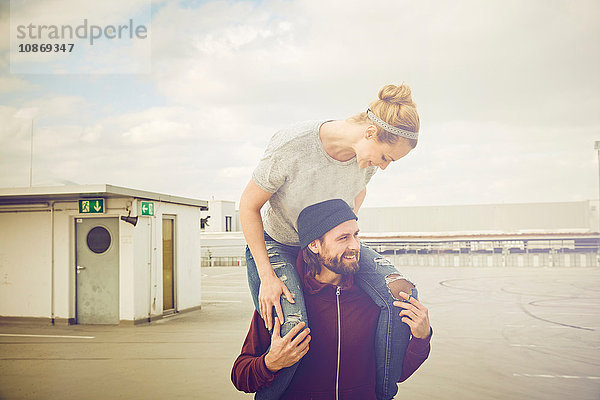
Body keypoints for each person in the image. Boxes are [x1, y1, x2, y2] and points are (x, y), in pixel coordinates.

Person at [239, 83, 420, 399]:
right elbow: (248, 206)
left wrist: (343, 236)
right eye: (385, 157)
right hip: (279, 242)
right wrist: (267, 276)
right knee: (292, 325)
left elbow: (357, 192)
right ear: (369, 133)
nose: (384, 166)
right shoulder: (293, 146)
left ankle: (384, 390)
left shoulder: (364, 161)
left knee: (403, 293)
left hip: (327, 243)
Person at [232, 199, 432, 399]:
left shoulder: (373, 301)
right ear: (314, 244)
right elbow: (240, 376)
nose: (355, 246)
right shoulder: (282, 300)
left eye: (356, 235)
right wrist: (269, 363)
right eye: (343, 238)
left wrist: (421, 338)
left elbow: (396, 374)